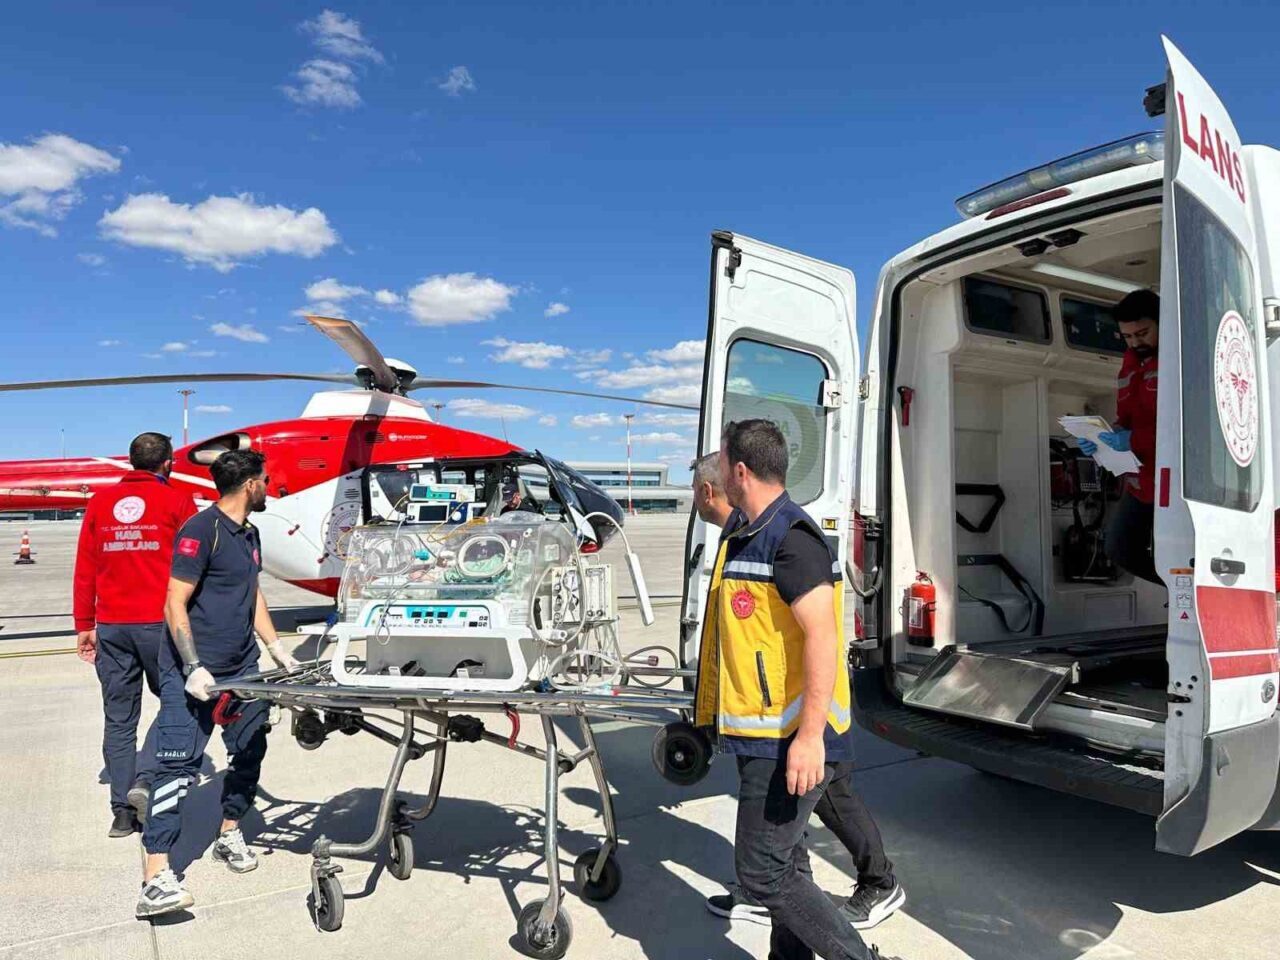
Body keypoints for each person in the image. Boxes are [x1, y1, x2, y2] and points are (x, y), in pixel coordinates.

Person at [694, 421, 903, 960]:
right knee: (789, 864)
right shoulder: (749, 530)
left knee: (763, 875)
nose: (717, 473)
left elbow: (824, 639)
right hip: (761, 735)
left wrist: (809, 738)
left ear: (740, 471)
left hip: (789, 739)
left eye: (722, 462)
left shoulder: (790, 539)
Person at [136, 449, 298, 919]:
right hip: (196, 671)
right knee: (176, 765)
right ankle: (155, 876)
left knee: (250, 750)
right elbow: (174, 602)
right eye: (266, 480)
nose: (270, 486)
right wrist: (192, 666)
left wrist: (276, 649)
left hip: (242, 666)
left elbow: (252, 594)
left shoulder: (250, 534)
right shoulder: (201, 530)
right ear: (250, 484)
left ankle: (229, 831)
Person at [74, 432, 198, 838]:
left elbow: (85, 567)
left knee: (119, 719)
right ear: (167, 464)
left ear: (130, 462)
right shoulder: (178, 501)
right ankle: (146, 780)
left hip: (111, 626)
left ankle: (122, 813)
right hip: (160, 625)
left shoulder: (100, 503)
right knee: (177, 703)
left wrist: (83, 624)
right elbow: (193, 567)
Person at [1079, 289, 1161, 584]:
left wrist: (1133, 440)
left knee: (1177, 551)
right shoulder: (1129, 364)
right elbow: (1125, 419)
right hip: (1141, 481)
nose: (1136, 342)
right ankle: (1183, 594)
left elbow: (1187, 427)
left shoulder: (1180, 360)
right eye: (1127, 337)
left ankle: (1190, 598)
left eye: (1142, 333)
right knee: (1121, 549)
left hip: (1173, 482)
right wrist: (1102, 439)